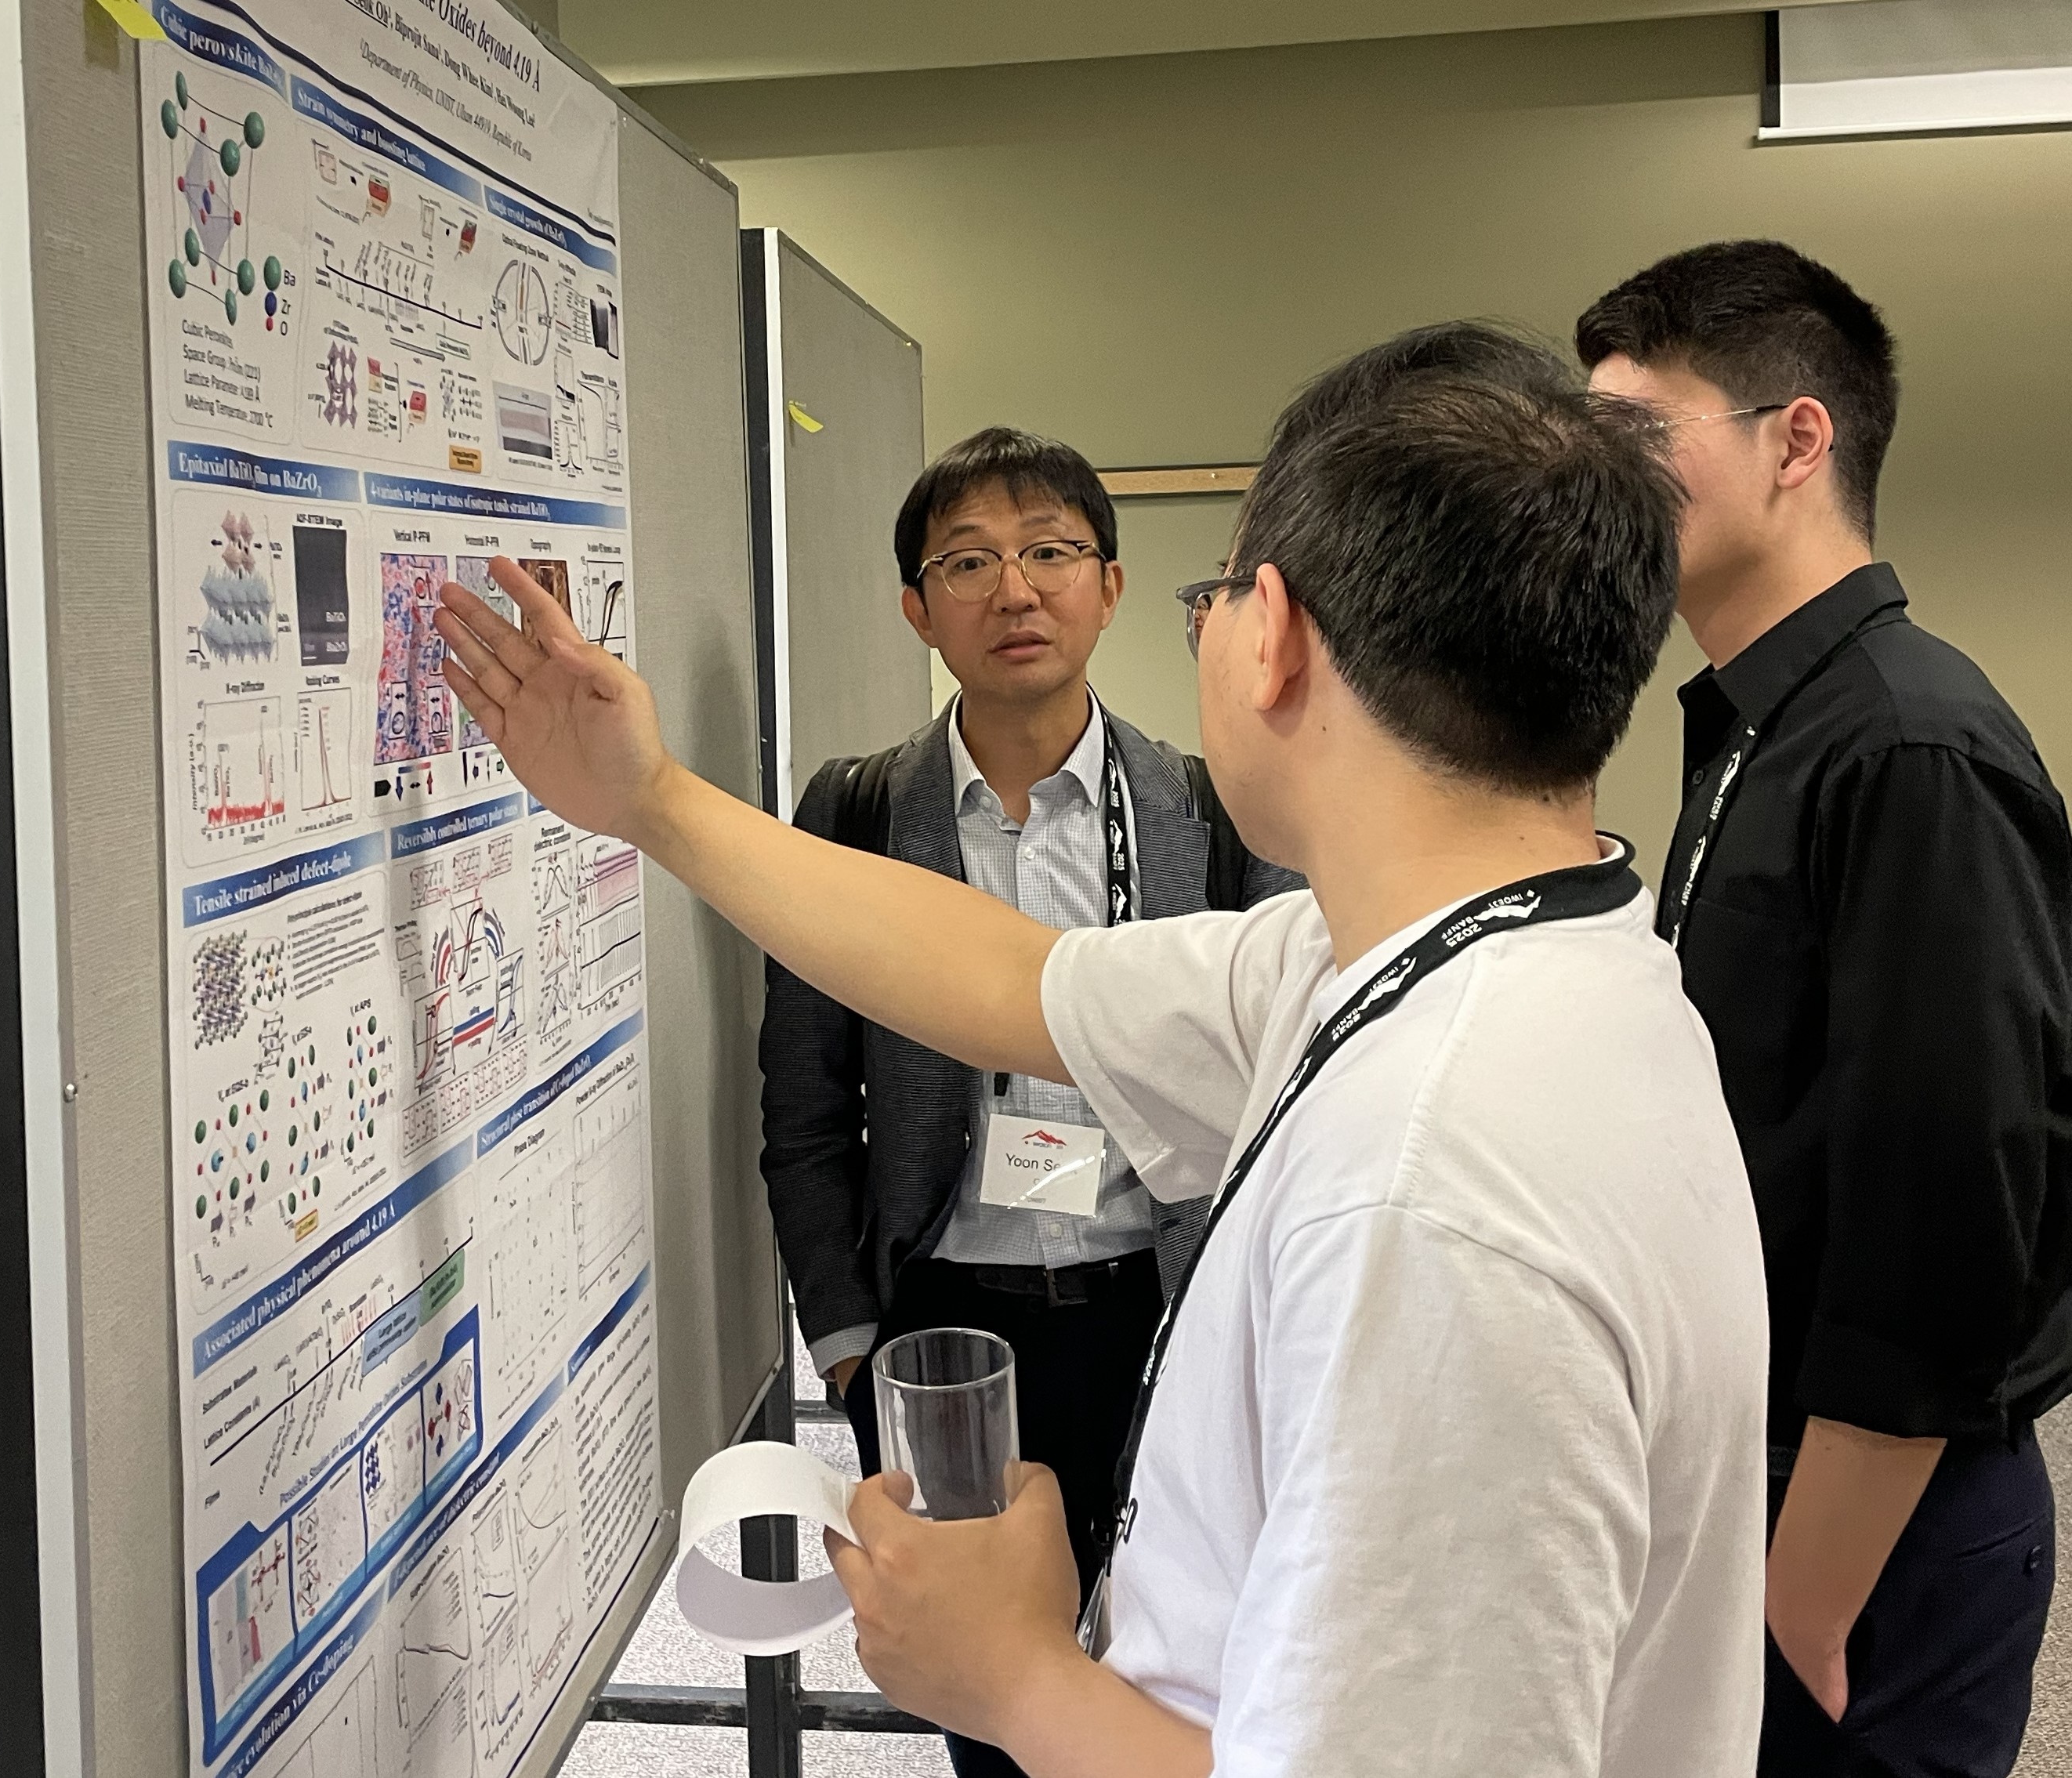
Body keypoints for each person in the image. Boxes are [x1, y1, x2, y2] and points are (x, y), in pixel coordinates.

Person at [431, 323, 1768, 1776]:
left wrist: (1015, 1678)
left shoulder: (1431, 1196)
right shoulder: (1413, 961)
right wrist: (650, 801)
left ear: (1273, 635)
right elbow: (1012, 975)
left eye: (1213, 593)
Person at [1581, 241, 2072, 1778]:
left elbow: (1951, 1210)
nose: (1597, 483)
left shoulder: (1906, 743)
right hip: (1762, 1478)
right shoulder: (1763, 727)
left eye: (1635, 436)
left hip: (1872, 1525)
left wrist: (1805, 1592)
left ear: (1799, 440)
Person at [760, 428, 1295, 1778]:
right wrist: (848, 1343)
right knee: (988, 1694)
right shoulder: (857, 811)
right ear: (917, 608)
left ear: (1110, 586)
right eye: (969, 561)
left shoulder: (1207, 806)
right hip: (941, 1323)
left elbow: (1287, 1082)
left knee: (1182, 1657)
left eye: (1051, 551)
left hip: (1156, 1303)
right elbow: (804, 1103)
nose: (1015, 589)